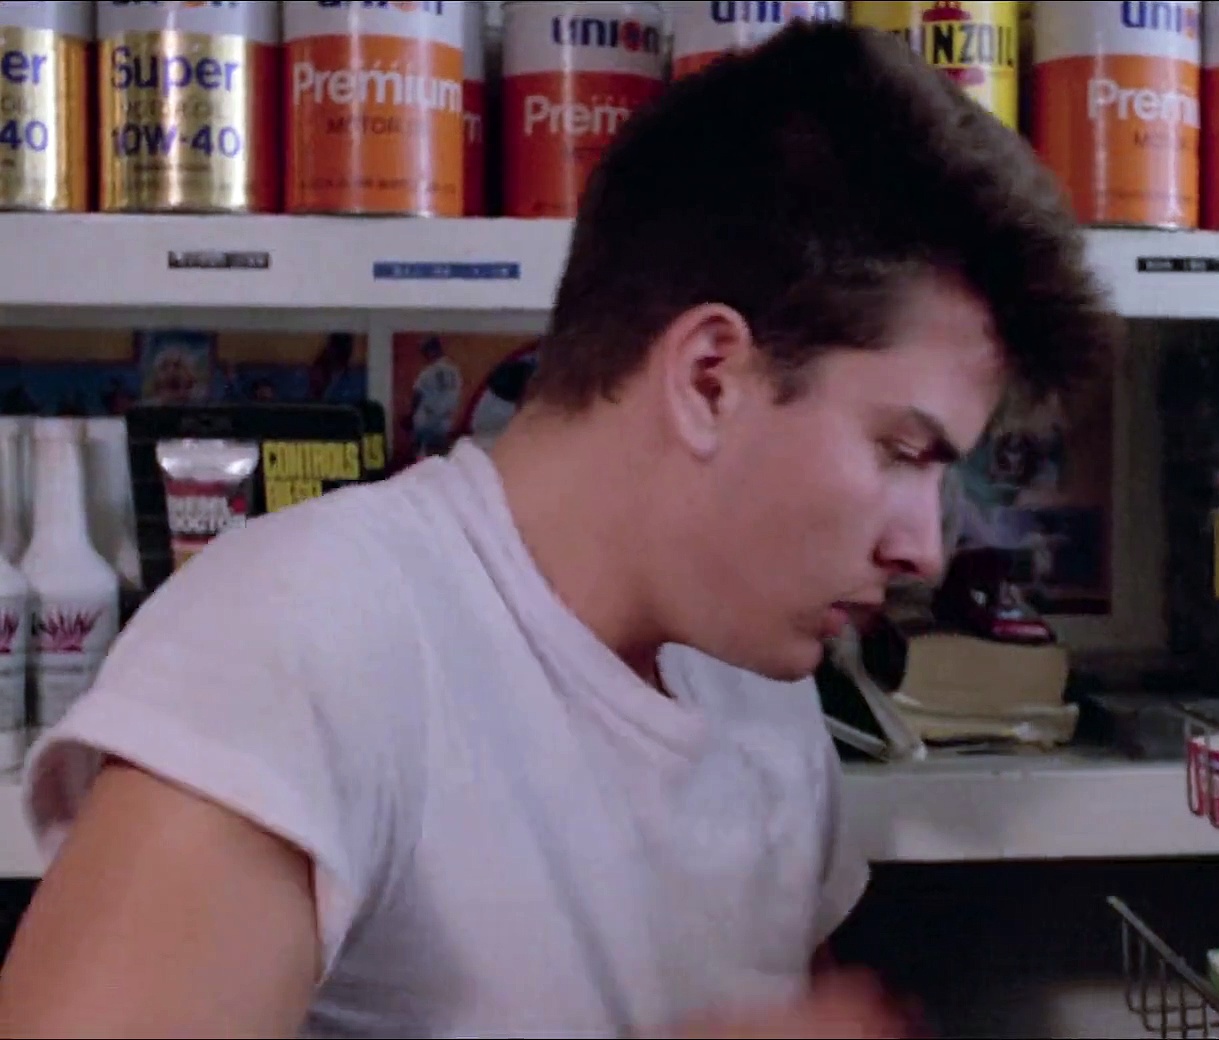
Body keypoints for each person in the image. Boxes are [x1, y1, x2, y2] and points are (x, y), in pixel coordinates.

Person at [0, 21, 1113, 1040]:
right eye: (903, 450)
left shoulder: (763, 688)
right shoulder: (298, 638)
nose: (925, 548)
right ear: (711, 376)